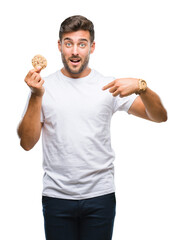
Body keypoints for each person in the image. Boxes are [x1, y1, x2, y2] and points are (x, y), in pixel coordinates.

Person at [17, 15, 167, 240]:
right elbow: (26, 143)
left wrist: (141, 87)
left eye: (82, 44)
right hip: (57, 197)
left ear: (92, 47)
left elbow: (159, 117)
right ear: (60, 46)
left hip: (100, 196)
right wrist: (36, 95)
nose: (75, 51)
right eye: (68, 43)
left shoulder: (107, 85)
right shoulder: (43, 87)